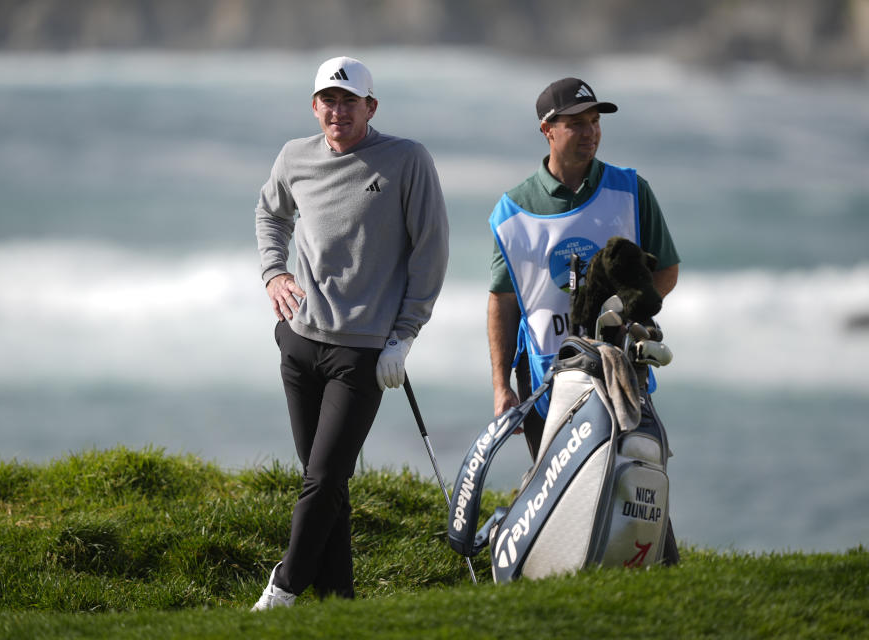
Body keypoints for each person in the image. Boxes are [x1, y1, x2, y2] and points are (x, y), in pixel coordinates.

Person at [252, 56, 449, 610]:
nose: (338, 111)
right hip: (298, 341)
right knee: (325, 482)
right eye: (328, 100)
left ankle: (282, 592)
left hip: (362, 353)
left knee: (321, 480)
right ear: (315, 106)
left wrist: (405, 335)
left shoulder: (407, 160)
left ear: (371, 107)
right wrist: (274, 273)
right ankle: (339, 601)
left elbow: (430, 250)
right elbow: (270, 215)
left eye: (349, 101)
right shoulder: (295, 157)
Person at [487, 76, 680, 562]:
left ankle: (659, 572)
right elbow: (504, 302)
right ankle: (562, 586)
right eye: (576, 123)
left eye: (595, 122)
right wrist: (500, 385)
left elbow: (666, 272)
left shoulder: (631, 189)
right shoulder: (512, 211)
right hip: (545, 378)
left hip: (620, 370)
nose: (590, 132)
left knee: (637, 487)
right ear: (547, 130)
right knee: (558, 497)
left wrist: (623, 316)